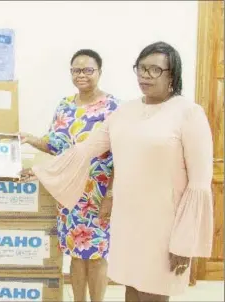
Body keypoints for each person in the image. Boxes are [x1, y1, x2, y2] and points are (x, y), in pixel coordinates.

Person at [19, 41, 213, 302]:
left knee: (153, 292)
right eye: (141, 68)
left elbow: (200, 183)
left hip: (164, 224)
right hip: (126, 220)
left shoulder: (189, 113)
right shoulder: (125, 111)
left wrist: (184, 241)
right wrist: (40, 171)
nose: (145, 75)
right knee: (131, 290)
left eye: (155, 69)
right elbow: (85, 150)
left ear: (172, 75)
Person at [21, 49, 118, 302]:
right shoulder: (64, 105)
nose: (82, 75)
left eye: (88, 70)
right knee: (76, 251)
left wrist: (111, 194)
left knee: (96, 253)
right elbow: (55, 146)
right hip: (69, 190)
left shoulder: (112, 107)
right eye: (76, 70)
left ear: (99, 71)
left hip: (98, 192)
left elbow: (121, 154)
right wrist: (30, 139)